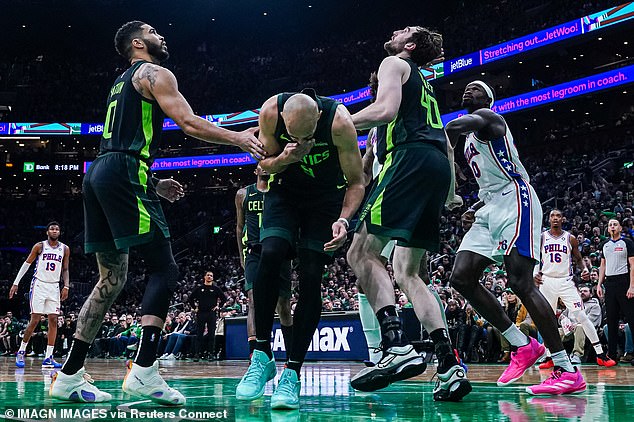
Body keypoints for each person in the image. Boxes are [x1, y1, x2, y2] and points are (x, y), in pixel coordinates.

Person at [50, 20, 265, 406]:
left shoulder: (120, 82)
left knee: (111, 280)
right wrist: (237, 137)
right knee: (165, 268)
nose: (162, 35)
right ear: (137, 42)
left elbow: (121, 145)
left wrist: (151, 183)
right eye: (152, 31)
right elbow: (186, 121)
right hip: (124, 171)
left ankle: (69, 374)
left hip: (99, 173)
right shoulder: (155, 72)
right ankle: (145, 371)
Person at [345, 26, 471, 401]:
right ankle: (449, 365)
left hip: (410, 160)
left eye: (402, 31)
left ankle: (396, 346)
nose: (395, 32)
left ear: (409, 46)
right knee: (407, 271)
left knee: (360, 252)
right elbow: (448, 148)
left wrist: (334, 125)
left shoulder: (393, 63)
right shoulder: (424, 87)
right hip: (435, 168)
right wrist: (450, 193)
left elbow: (384, 110)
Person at [445, 81, 586, 395]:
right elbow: (488, 181)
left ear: (489, 99)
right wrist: (477, 205)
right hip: (490, 206)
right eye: (466, 89)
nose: (469, 91)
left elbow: (452, 125)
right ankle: (522, 344)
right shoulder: (471, 139)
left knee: (520, 281)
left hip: (516, 198)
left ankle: (566, 368)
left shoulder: (490, 119)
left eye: (477, 89)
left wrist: (447, 163)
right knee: (461, 277)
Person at [235, 88, 364, 410]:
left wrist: (345, 221)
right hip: (284, 194)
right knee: (271, 252)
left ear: (318, 118)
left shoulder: (339, 122)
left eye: (307, 135)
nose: (303, 140)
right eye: (294, 134)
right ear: (283, 122)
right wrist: (287, 157)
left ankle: (292, 373)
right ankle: (262, 354)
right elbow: (265, 165)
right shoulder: (269, 111)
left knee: (310, 276)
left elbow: (357, 181)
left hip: (325, 201)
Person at [535, 209, 616, 367]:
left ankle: (600, 354)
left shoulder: (570, 238)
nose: (556, 218)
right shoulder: (542, 238)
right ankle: (550, 356)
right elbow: (535, 258)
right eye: (553, 216)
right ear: (549, 219)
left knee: (581, 316)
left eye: (558, 216)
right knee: (547, 319)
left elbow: (578, 259)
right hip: (547, 281)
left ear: (563, 219)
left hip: (566, 281)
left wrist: (585, 270)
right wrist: (534, 273)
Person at [235, 168, 293, 358]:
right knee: (253, 299)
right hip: (255, 251)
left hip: (279, 251)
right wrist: (242, 256)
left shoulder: (282, 190)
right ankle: (256, 354)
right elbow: (239, 227)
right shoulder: (244, 194)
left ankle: (291, 354)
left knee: (283, 304)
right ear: (256, 169)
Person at [10, 221, 69, 369]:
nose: (54, 231)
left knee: (54, 320)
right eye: (52, 229)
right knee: (35, 319)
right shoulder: (39, 246)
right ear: (47, 232)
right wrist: (16, 282)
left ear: (59, 232)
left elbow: (65, 269)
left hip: (54, 286)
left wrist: (66, 285)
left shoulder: (65, 249)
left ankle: (48, 357)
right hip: (39, 284)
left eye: (57, 229)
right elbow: (27, 264)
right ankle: (21, 351)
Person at [597, 219, 634, 364]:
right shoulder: (604, 245)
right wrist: (599, 284)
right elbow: (602, 265)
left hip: (624, 282)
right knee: (611, 320)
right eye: (610, 225)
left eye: (615, 224)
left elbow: (632, 265)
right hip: (610, 283)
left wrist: (632, 286)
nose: (612, 226)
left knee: (631, 319)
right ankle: (612, 355)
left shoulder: (627, 243)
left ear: (619, 228)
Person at [188, 271, 226, 361]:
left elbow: (224, 298)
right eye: (208, 275)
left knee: (211, 334)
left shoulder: (216, 289)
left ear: (213, 278)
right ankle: (197, 354)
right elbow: (190, 299)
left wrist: (218, 306)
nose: (209, 277)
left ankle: (211, 354)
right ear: (204, 277)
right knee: (199, 334)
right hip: (201, 313)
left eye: (211, 276)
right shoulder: (199, 288)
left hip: (211, 313)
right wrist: (195, 308)